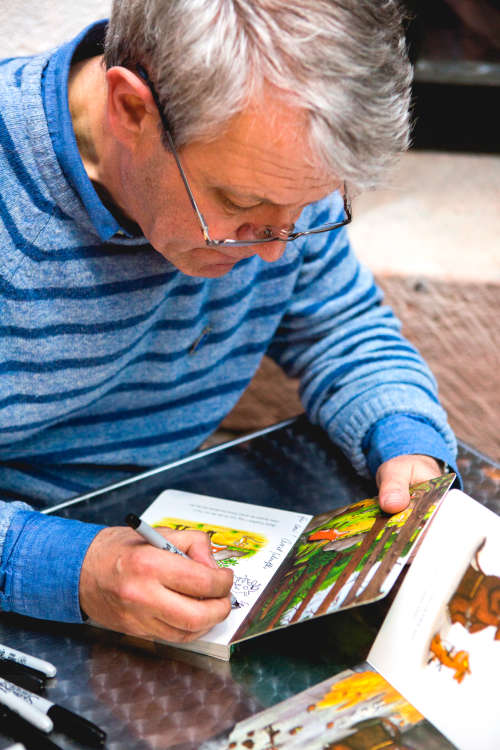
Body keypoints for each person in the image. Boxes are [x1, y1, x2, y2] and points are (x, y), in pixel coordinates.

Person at [0, 0, 457, 644]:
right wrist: (66, 566)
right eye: (241, 203)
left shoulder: (277, 168)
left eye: (306, 206)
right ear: (130, 110)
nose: (276, 249)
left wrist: (406, 439)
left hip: (170, 525)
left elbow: (340, 328)